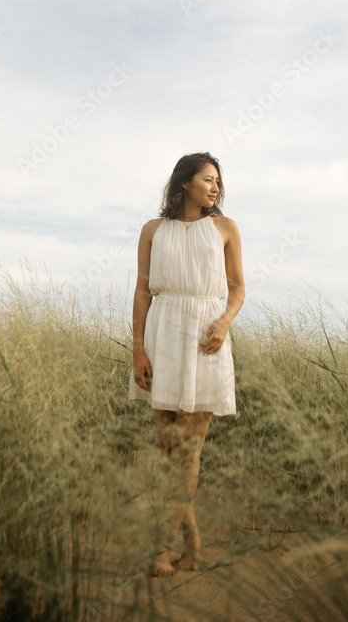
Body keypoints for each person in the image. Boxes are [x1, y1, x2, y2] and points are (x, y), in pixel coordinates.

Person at [128, 151, 245, 577]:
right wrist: (138, 350)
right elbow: (142, 293)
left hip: (203, 342)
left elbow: (237, 289)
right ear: (184, 183)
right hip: (161, 337)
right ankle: (192, 539)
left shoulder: (225, 229)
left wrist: (224, 322)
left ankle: (161, 548)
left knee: (188, 453)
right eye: (208, 179)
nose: (215, 187)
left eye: (218, 181)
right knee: (167, 454)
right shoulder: (153, 230)